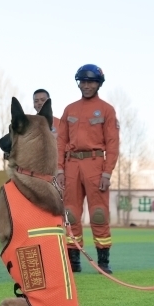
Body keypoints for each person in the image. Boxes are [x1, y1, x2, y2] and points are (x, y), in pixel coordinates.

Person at [55, 64, 119, 274]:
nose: (86, 85)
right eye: (83, 81)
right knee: (70, 213)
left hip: (95, 164)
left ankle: (103, 261)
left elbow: (112, 144)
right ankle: (74, 260)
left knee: (99, 213)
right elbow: (61, 141)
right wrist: (60, 169)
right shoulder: (70, 109)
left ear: (99, 84)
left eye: (91, 82)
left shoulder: (107, 110)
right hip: (71, 165)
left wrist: (107, 172)